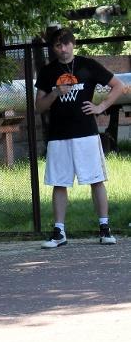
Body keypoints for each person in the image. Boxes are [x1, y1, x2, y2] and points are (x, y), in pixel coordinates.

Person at [35, 27, 125, 249]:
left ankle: (104, 228)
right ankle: (59, 232)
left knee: (96, 179)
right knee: (59, 183)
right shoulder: (47, 72)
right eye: (58, 45)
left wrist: (101, 107)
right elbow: (39, 106)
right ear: (54, 48)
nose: (63, 49)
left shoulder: (87, 65)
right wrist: (55, 92)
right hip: (58, 136)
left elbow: (119, 86)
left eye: (66, 44)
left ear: (73, 44)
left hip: (86, 134)